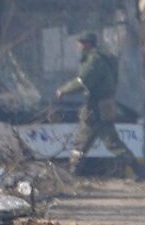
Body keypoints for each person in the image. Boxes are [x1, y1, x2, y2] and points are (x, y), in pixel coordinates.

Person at [56, 31, 139, 177]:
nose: (77, 46)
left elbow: (83, 81)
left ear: (87, 44)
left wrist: (63, 91)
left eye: (80, 43)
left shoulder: (94, 60)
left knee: (83, 142)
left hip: (95, 108)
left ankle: (71, 174)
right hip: (103, 107)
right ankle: (139, 171)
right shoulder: (101, 57)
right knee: (109, 142)